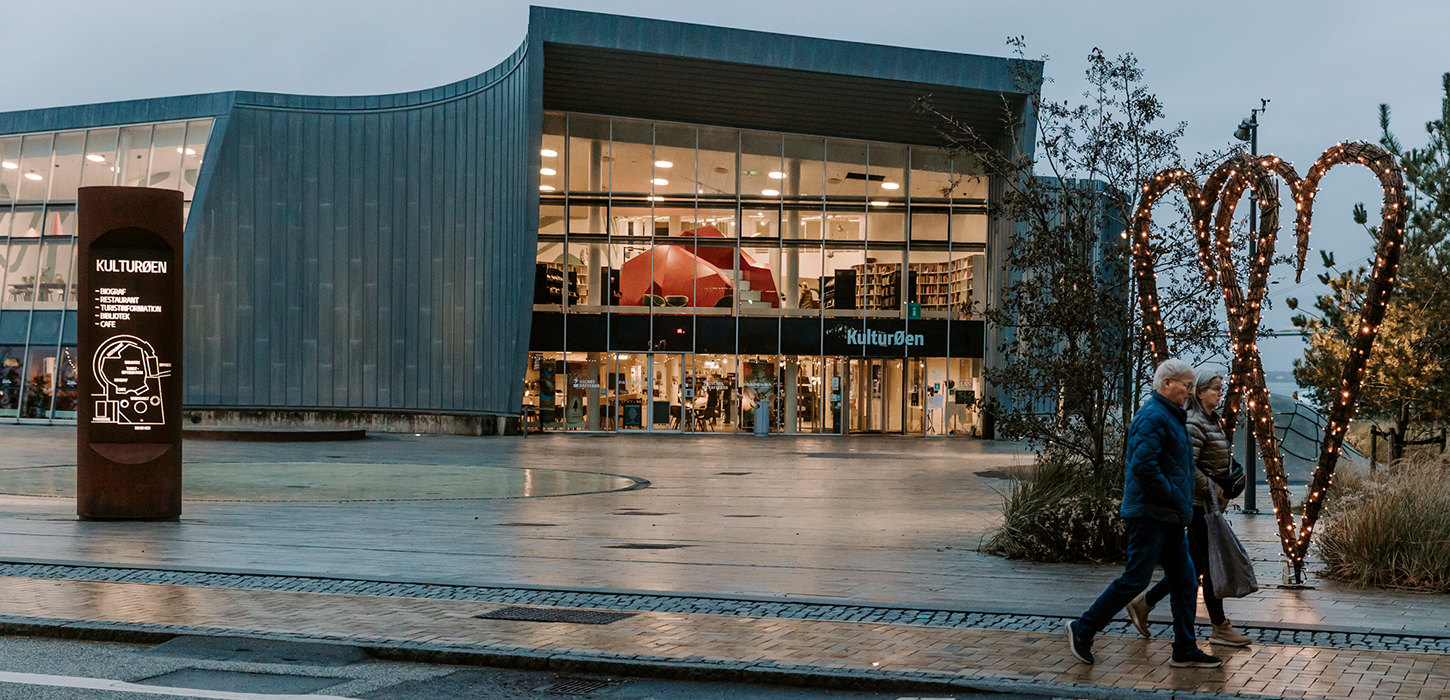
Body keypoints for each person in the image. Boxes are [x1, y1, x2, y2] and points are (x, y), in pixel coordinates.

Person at [1065, 358, 1221, 668]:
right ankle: (1083, 628)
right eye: (1186, 387)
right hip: (1150, 514)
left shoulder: (1170, 416)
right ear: (1167, 384)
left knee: (1186, 579)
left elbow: (1175, 464)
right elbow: (1144, 466)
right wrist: (1175, 495)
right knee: (1135, 579)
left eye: (1192, 387)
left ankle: (1185, 649)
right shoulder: (1152, 417)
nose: (1190, 393)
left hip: (1170, 516)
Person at [1128, 369, 1252, 646]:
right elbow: (1188, 465)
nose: (1221, 392)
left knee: (1193, 565)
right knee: (1210, 566)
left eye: (1221, 388)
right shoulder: (1195, 422)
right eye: (1216, 388)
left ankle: (1144, 603)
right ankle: (1220, 626)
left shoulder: (1211, 420)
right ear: (1199, 391)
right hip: (1199, 506)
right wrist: (1213, 488)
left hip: (1209, 505)